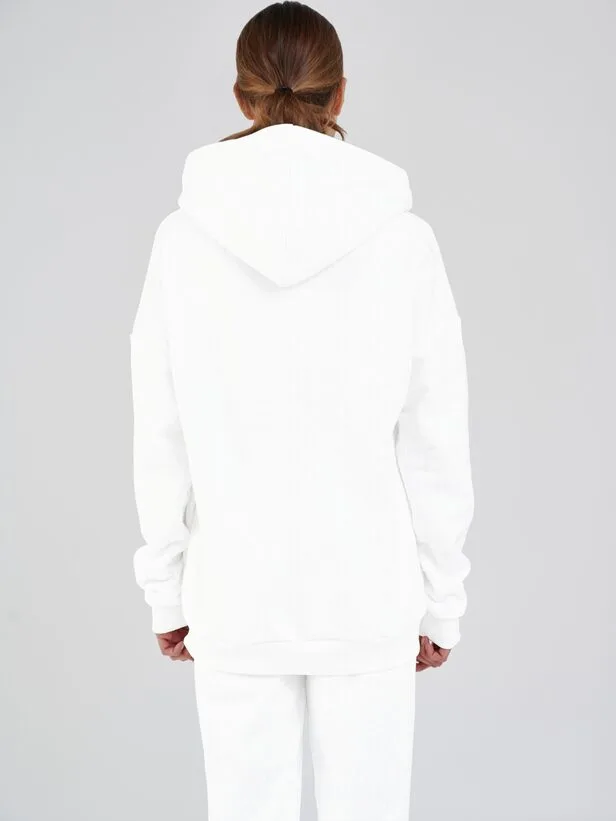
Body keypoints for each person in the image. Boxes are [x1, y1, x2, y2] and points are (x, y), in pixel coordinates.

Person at [129, 2, 475, 819]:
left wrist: (167, 589)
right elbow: (435, 434)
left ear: (241, 95)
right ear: (340, 92)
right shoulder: (403, 241)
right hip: (369, 594)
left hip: (234, 592)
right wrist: (442, 597)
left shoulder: (183, 240)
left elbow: (159, 427)